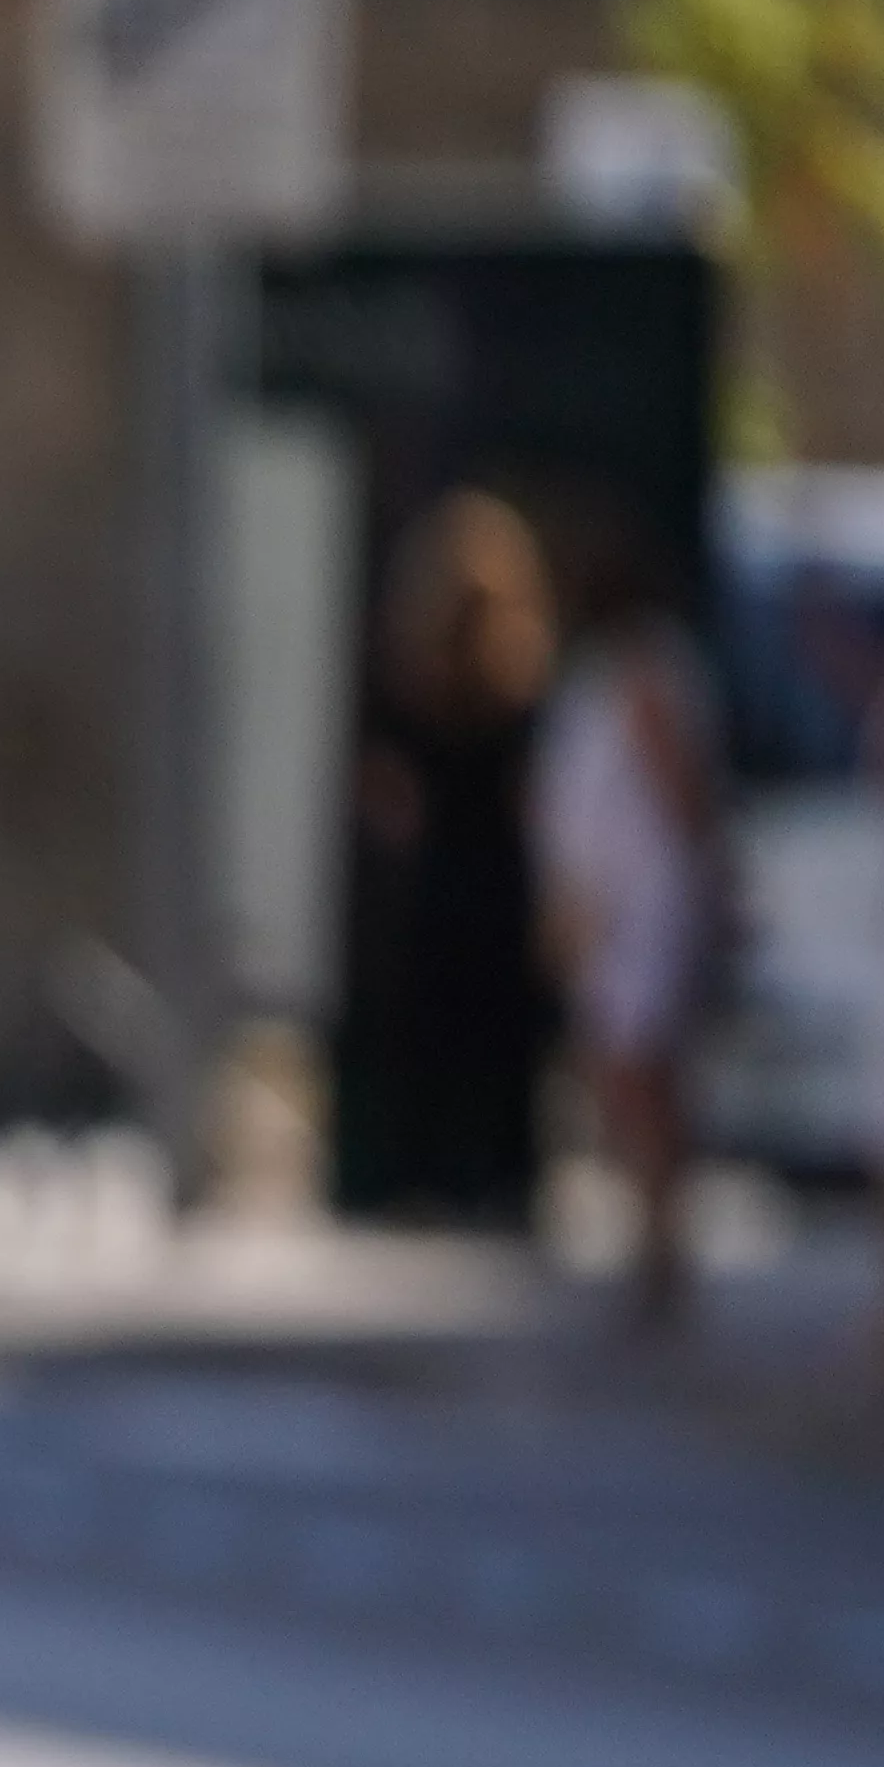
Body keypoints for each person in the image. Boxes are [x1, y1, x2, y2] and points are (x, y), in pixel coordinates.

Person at [527, 517, 726, 1337]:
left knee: (640, 1071)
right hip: (610, 899)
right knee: (622, 1071)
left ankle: (661, 1246)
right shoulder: (606, 669)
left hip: (640, 903)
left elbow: (676, 789)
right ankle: (653, 1239)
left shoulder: (646, 667)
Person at [342, 492, 559, 1223]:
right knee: (490, 1035)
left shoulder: (424, 678)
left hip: (450, 877)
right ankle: (488, 1176)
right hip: (486, 877)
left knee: (451, 1029)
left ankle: (436, 1173)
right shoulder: (495, 682)